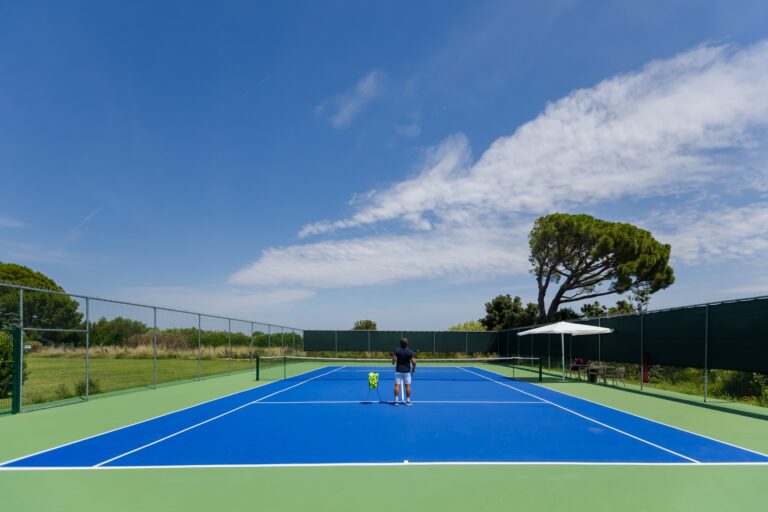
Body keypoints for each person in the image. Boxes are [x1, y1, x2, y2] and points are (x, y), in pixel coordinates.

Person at [392, 337, 416, 406]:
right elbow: (414, 362)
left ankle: (396, 401)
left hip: (398, 371)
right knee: (408, 386)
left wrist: (393, 361)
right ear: (407, 344)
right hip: (407, 372)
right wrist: (414, 368)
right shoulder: (410, 352)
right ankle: (408, 401)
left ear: (400, 343)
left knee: (397, 386)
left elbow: (394, 361)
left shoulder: (397, 351)